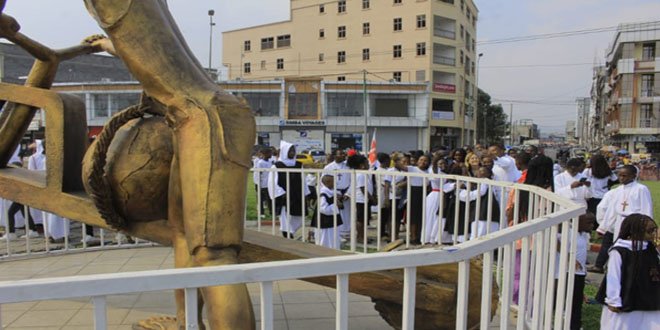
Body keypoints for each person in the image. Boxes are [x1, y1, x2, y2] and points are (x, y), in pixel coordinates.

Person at [596, 214, 659, 329]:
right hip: (627, 298)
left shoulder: (651, 248)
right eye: (650, 231)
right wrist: (613, 299)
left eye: (655, 230)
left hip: (649, 297)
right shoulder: (620, 251)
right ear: (635, 231)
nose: (654, 234)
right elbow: (613, 276)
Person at [591, 165, 654, 273]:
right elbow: (612, 211)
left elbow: (646, 208)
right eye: (619, 175)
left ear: (634, 176)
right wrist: (604, 227)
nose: (621, 178)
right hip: (619, 222)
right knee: (617, 246)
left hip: (634, 223)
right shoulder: (617, 191)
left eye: (625, 176)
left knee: (631, 247)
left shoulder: (641, 189)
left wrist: (646, 226)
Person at [555, 212, 595, 330]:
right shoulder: (569, 233)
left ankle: (575, 324)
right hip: (570, 272)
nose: (592, 226)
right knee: (570, 301)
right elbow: (556, 242)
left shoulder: (584, 235)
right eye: (589, 223)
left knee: (577, 302)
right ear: (579, 222)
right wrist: (569, 258)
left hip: (580, 273)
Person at [268, 141, 310, 239]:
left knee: (300, 217)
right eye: (290, 150)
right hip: (284, 195)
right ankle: (288, 235)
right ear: (284, 151)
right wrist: (281, 193)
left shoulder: (299, 165)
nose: (292, 152)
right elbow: (272, 182)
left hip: (297, 194)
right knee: (285, 217)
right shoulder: (277, 166)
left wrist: (306, 193)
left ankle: (289, 231)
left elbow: (303, 180)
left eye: (293, 150)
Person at [310, 175, 343, 249]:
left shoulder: (331, 192)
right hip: (324, 223)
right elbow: (323, 209)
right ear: (328, 182)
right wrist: (335, 205)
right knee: (324, 241)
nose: (335, 183)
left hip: (331, 222)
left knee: (333, 239)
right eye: (333, 181)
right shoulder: (323, 194)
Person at [323, 149, 350, 237]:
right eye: (341, 154)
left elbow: (353, 181)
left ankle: (347, 231)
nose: (343, 155)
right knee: (336, 213)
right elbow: (323, 182)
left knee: (347, 214)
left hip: (346, 192)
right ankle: (337, 233)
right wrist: (334, 194)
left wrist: (347, 193)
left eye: (343, 154)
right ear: (335, 156)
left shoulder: (348, 166)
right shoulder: (328, 167)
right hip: (334, 192)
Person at [346, 154, 372, 244]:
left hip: (364, 200)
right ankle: (360, 237)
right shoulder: (361, 175)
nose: (369, 164)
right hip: (361, 200)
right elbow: (363, 188)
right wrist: (371, 198)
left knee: (363, 220)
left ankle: (362, 236)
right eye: (367, 163)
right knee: (361, 220)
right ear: (362, 166)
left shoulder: (363, 174)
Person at [375, 152, 392, 239]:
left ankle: (384, 231)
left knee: (386, 215)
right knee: (384, 215)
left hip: (386, 194)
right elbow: (385, 184)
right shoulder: (381, 171)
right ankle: (381, 232)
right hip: (383, 194)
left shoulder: (386, 170)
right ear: (385, 161)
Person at [253, 147, 273, 217]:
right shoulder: (260, 163)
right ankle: (261, 213)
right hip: (262, 184)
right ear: (265, 154)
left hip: (269, 183)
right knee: (261, 199)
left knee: (270, 198)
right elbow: (259, 174)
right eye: (270, 153)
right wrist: (259, 184)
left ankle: (271, 211)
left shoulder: (270, 162)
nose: (271, 154)